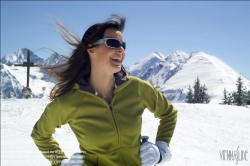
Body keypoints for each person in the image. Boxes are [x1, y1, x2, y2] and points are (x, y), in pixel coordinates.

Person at [31, 14, 178, 166]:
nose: (121, 49)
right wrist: (61, 162)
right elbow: (40, 135)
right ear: (91, 49)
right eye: (112, 43)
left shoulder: (137, 88)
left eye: (123, 45)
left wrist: (161, 149)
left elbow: (169, 113)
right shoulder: (70, 101)